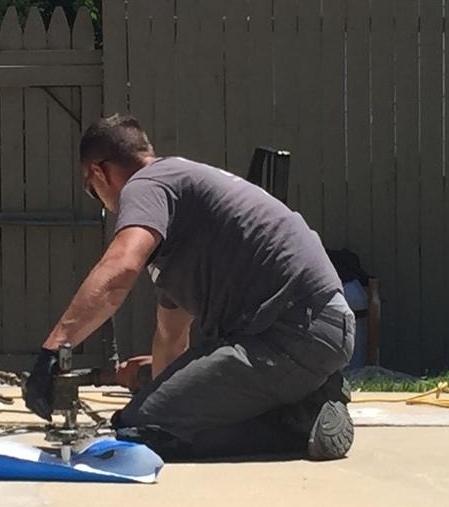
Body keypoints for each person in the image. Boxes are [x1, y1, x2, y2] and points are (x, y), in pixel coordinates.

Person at [23, 117, 355, 462]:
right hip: (308, 329)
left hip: (289, 333)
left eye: (91, 189)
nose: (100, 199)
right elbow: (171, 334)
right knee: (149, 415)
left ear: (100, 172)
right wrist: (161, 392)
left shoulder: (146, 184)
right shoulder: (182, 207)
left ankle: (302, 419)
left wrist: (52, 350)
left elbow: (119, 269)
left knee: (144, 432)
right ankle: (307, 392)